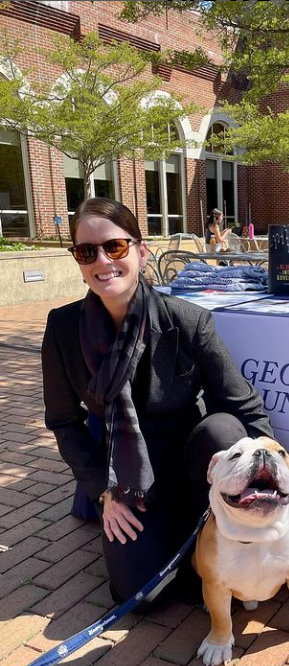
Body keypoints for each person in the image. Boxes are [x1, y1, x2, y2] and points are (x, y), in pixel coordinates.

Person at [42, 198, 273, 608]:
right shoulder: (63, 328)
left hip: (194, 469)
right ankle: (179, 551)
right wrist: (102, 491)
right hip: (127, 477)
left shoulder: (186, 320)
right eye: (86, 251)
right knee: (139, 596)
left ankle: (204, 534)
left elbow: (242, 403)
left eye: (114, 247)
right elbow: (64, 422)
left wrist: (275, 481)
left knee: (225, 429)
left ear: (140, 251)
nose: (102, 261)